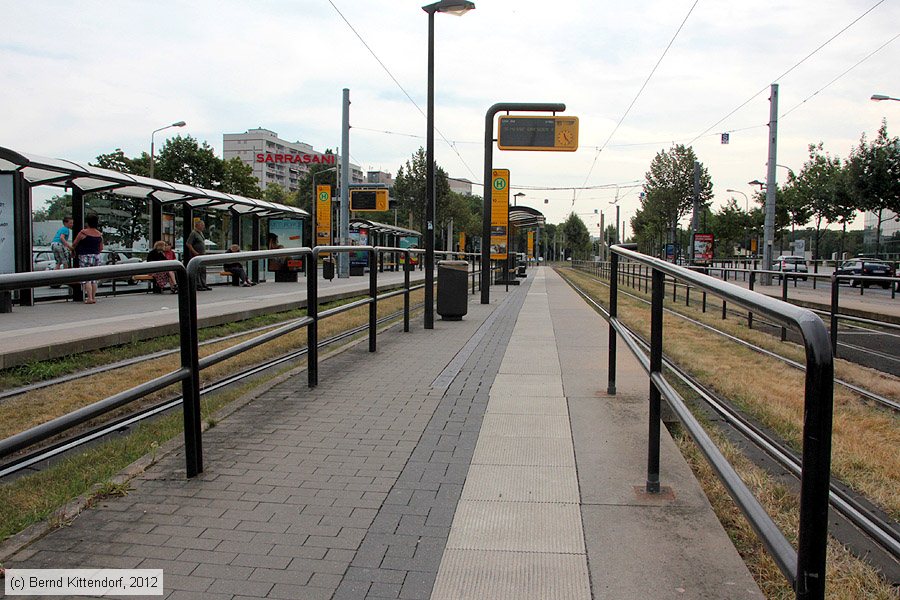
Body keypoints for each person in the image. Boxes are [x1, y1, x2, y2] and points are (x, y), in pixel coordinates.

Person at [72, 214, 104, 304]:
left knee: (86, 278)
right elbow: (101, 248)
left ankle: (89, 298)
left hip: (85, 256)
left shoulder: (83, 232)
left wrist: (72, 251)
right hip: (96, 256)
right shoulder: (99, 234)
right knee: (94, 278)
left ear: (87, 222)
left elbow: (74, 244)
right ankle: (93, 297)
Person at [186, 219, 210, 291]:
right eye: (202, 225)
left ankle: (204, 284)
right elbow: (188, 243)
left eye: (203, 225)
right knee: (197, 270)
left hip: (202, 254)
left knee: (203, 269)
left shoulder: (201, 233)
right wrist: (194, 252)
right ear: (197, 225)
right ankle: (198, 285)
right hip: (197, 255)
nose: (203, 226)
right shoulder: (193, 233)